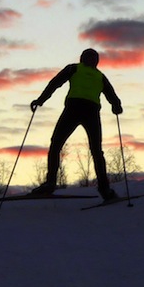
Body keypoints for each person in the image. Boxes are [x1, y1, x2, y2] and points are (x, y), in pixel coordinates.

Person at [29, 48, 123, 200]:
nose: (91, 60)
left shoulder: (74, 68)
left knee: (56, 144)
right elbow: (112, 96)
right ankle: (105, 190)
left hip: (74, 109)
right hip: (90, 112)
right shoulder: (100, 76)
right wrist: (116, 106)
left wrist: (41, 100)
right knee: (96, 151)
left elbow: (55, 83)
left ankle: (50, 184)